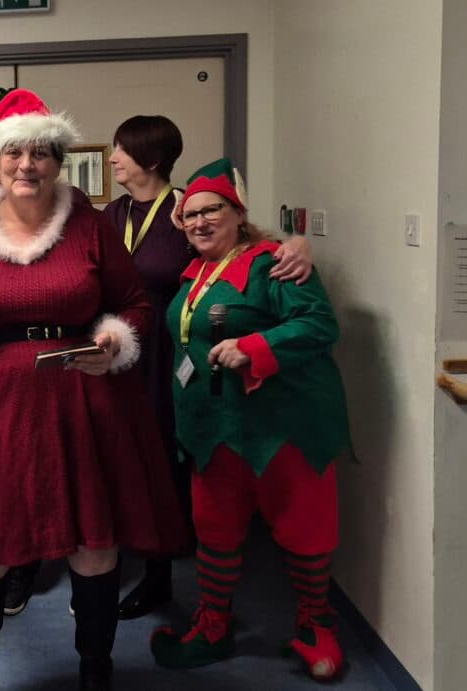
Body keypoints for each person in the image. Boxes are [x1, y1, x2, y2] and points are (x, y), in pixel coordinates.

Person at [0, 89, 186, 691]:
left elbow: (136, 305)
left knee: (92, 546)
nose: (27, 165)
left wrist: (115, 344)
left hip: (83, 399)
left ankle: (96, 668)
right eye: (14, 153)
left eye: (41, 153)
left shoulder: (90, 225)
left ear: (58, 161)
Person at [103, 116, 314, 620]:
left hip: (172, 353)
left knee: (164, 462)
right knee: (123, 458)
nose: (112, 159)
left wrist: (298, 244)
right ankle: (120, 561)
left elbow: (241, 249)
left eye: (121, 151)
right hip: (119, 352)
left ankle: (161, 576)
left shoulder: (185, 212)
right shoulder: (111, 213)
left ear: (150, 159)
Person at [149, 159, 350, 682]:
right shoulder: (193, 273)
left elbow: (318, 323)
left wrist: (256, 346)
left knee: (304, 528)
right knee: (214, 529)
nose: (198, 222)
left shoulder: (273, 264)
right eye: (189, 216)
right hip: (213, 429)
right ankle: (212, 624)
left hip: (282, 427)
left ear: (237, 213)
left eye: (211, 210)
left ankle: (315, 626)